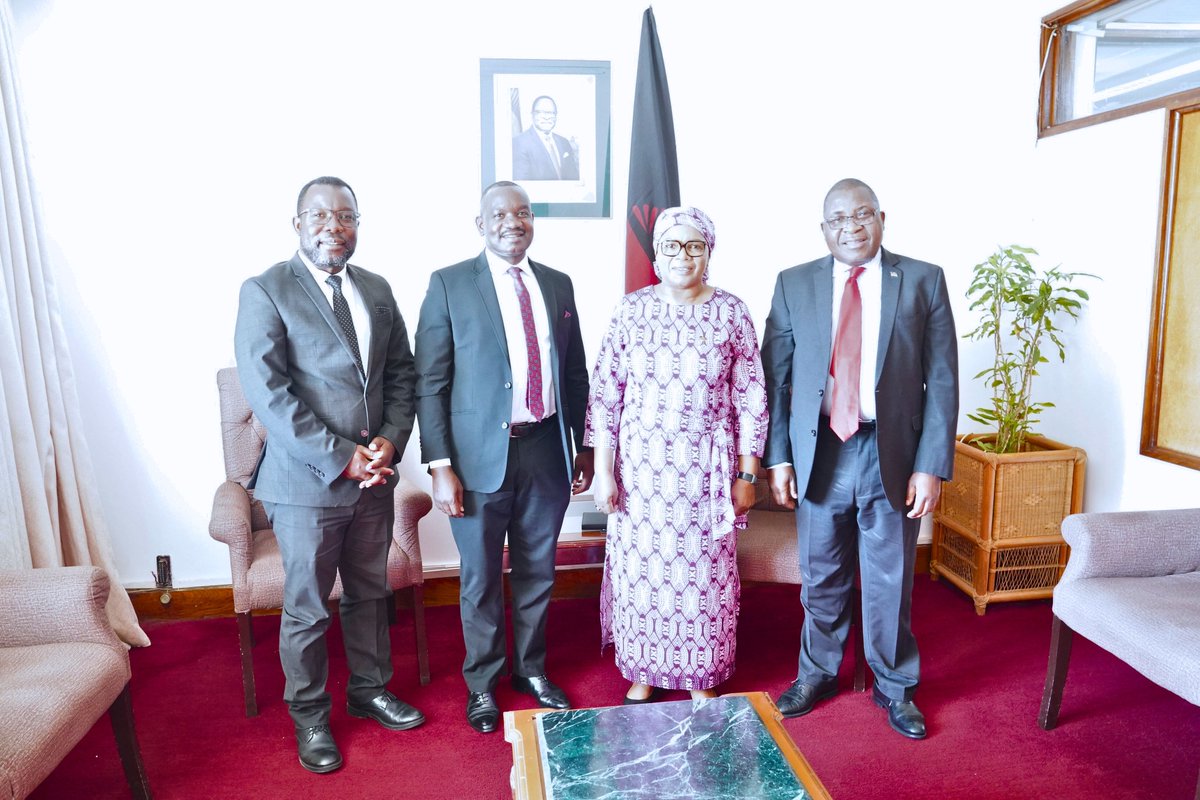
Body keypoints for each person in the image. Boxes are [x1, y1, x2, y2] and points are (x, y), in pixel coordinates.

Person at [234, 176, 423, 774]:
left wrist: (390, 442)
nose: (333, 227)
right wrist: (342, 455)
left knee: (370, 594)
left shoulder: (376, 288)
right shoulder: (267, 290)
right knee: (309, 606)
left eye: (345, 216)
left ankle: (368, 689)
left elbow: (401, 376)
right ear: (297, 223)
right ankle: (310, 715)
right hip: (305, 483)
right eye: (319, 216)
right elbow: (270, 395)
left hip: (374, 478)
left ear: (358, 225)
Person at [761, 178, 958, 740]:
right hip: (821, 450)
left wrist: (931, 465)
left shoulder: (923, 280)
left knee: (890, 578)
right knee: (820, 575)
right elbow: (774, 379)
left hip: (891, 453)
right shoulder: (793, 283)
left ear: (882, 218)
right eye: (838, 218)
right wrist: (779, 457)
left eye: (862, 214)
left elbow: (941, 380)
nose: (851, 226)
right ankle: (818, 672)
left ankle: (895, 687)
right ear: (824, 228)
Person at [414, 180, 594, 734]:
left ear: (532, 221)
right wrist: (440, 465)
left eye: (522, 213)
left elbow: (574, 372)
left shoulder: (558, 285)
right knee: (481, 578)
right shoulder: (449, 285)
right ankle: (482, 684)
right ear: (480, 223)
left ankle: (532, 670)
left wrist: (582, 444)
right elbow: (430, 383)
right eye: (499, 213)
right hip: (475, 461)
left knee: (539, 571)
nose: (512, 222)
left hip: (544, 450)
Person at [586, 206, 768, 704]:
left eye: (694, 246)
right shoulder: (631, 310)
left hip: (705, 474)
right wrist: (604, 471)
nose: (682, 256)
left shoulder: (732, 312)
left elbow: (751, 397)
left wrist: (747, 475)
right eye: (671, 246)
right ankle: (642, 671)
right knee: (641, 572)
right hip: (639, 472)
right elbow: (606, 395)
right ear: (657, 253)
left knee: (701, 573)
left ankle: (699, 675)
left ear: (708, 252)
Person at [512, 95, 580, 181]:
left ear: (556, 116)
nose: (546, 117)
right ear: (532, 115)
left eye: (551, 113)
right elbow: (521, 184)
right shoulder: (519, 143)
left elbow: (573, 177)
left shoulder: (564, 142)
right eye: (541, 112)